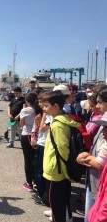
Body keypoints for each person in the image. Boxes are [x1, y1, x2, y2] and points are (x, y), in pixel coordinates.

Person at [42, 90, 81, 222]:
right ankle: (67, 217)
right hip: (61, 172)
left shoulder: (57, 125)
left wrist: (67, 173)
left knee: (56, 206)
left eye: (46, 106)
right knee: (63, 200)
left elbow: (62, 151)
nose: (44, 108)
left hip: (56, 172)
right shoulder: (66, 119)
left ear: (56, 106)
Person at [77, 86, 107, 221]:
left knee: (93, 214)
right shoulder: (100, 117)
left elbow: (100, 162)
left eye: (100, 102)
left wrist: (82, 158)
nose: (96, 105)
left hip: (99, 181)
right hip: (95, 180)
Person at [20, 92, 42, 191]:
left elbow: (22, 123)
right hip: (38, 136)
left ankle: (29, 183)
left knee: (28, 160)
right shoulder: (40, 109)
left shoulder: (25, 110)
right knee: (36, 159)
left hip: (27, 135)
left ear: (27, 101)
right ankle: (37, 182)